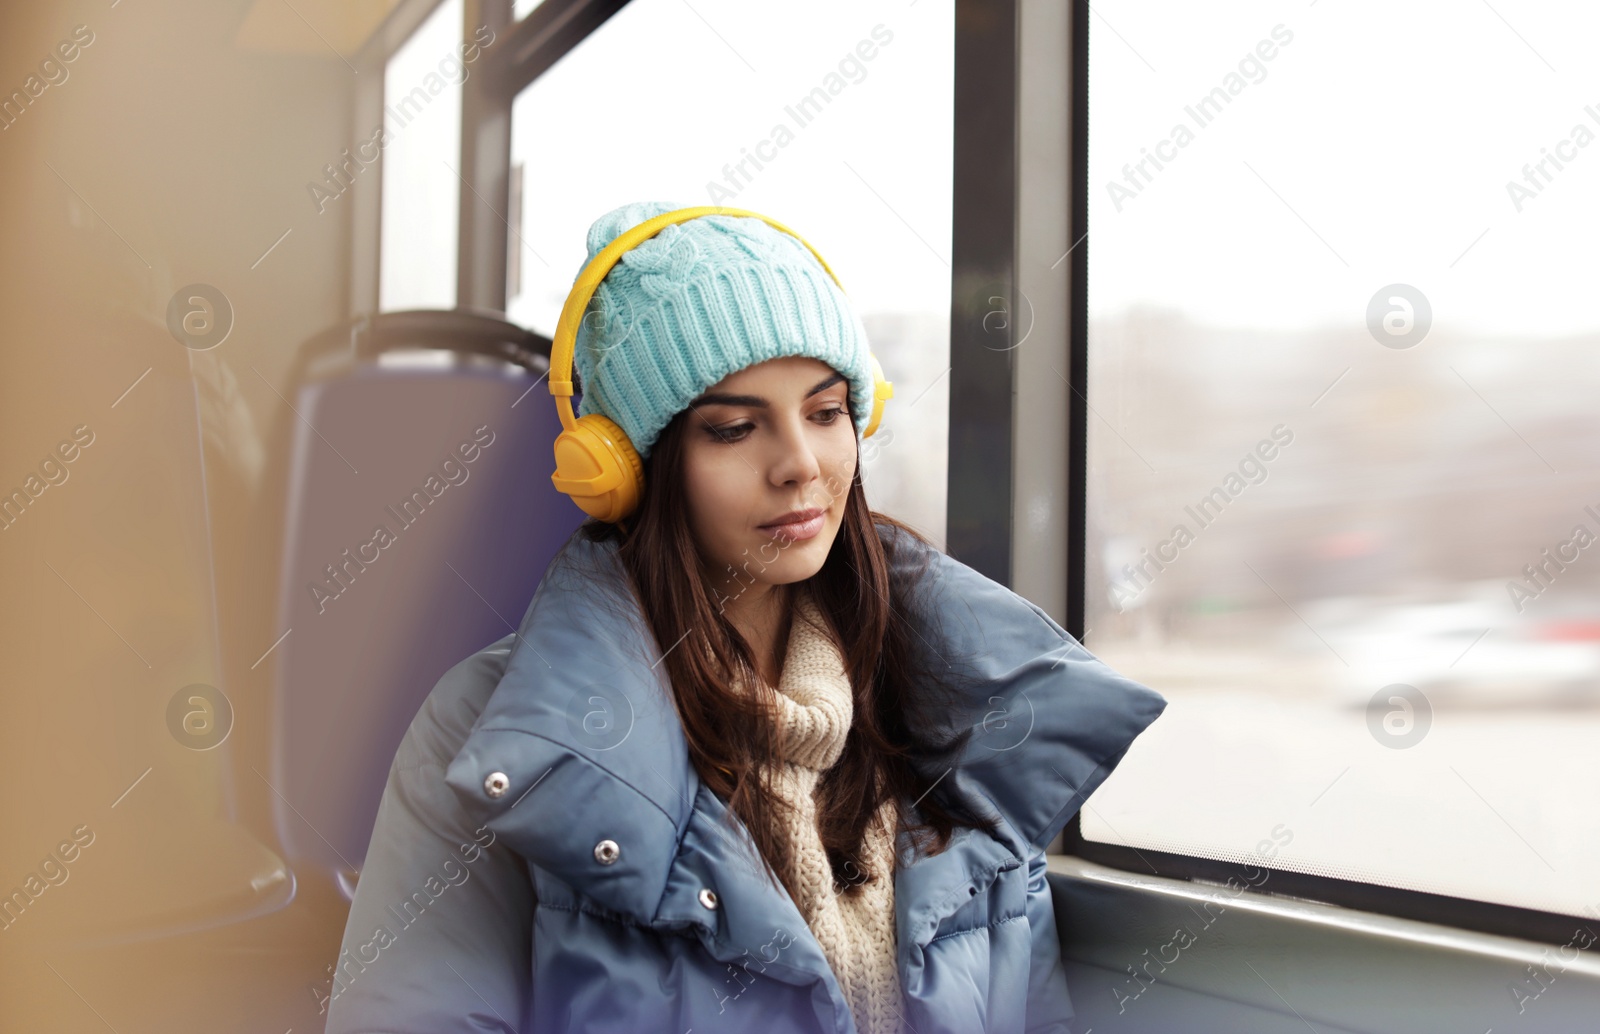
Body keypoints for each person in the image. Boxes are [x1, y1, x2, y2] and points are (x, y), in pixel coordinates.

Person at [321, 201, 1166, 1033]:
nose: (800, 464)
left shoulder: (962, 699)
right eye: (733, 428)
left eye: (828, 412)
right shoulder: (492, 731)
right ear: (629, 468)